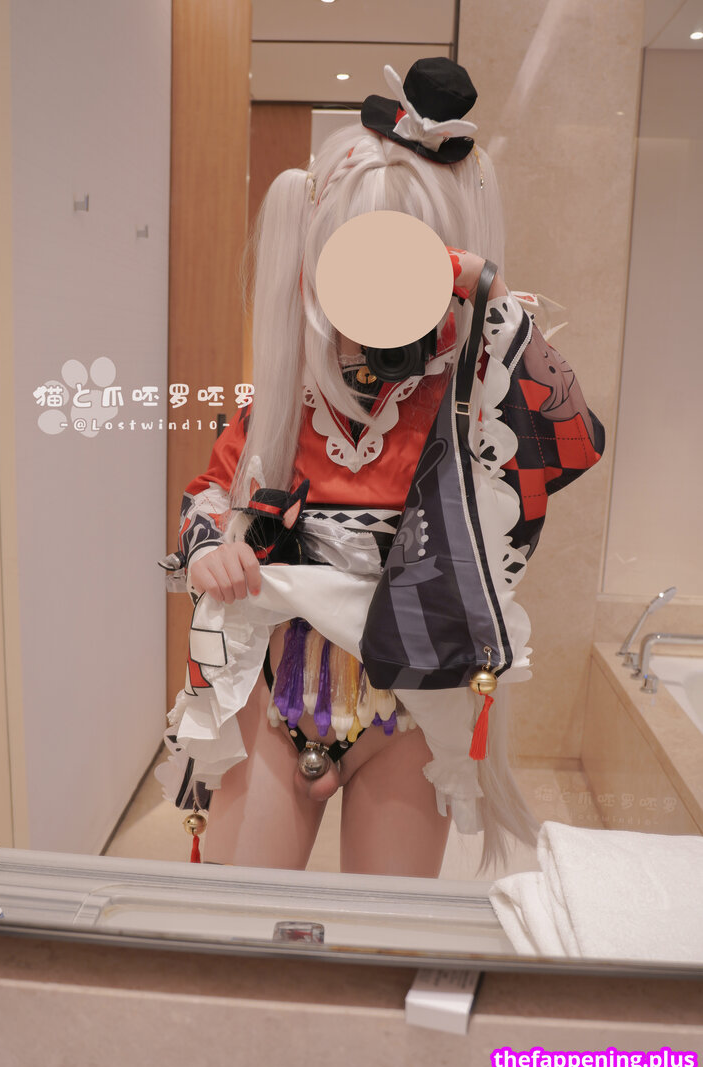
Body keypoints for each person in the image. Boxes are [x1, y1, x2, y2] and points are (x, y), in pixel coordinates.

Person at [156, 58, 604, 877]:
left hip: (409, 710)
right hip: (277, 690)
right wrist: (211, 548)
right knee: (237, 923)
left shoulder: (471, 396)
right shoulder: (286, 398)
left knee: (380, 932)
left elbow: (574, 437)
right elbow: (210, 494)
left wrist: (488, 294)